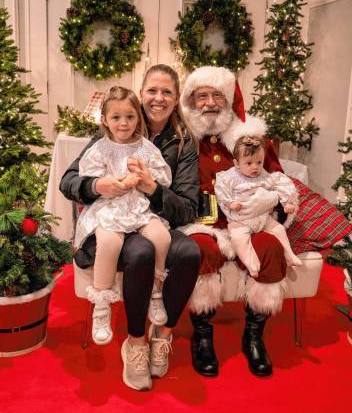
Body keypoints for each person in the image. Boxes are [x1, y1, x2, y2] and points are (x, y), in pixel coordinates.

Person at [179, 66, 352, 378]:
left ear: (230, 98)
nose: (209, 103)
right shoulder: (185, 141)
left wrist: (271, 201)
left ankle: (253, 336)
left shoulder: (252, 139)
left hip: (253, 220)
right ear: (191, 101)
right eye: (201, 96)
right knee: (199, 249)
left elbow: (280, 181)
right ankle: (202, 336)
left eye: (216, 95)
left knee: (271, 247)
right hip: (205, 224)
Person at [60, 64, 200, 391]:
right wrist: (98, 185)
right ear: (142, 94)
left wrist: (153, 189)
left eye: (167, 91)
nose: (158, 98)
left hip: (151, 214)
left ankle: (161, 334)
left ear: (176, 97)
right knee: (141, 253)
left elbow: (189, 208)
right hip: (113, 217)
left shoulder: (183, 141)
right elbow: (70, 180)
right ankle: (135, 342)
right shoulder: (111, 131)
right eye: (152, 90)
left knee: (189, 253)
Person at [75, 86, 173, 345]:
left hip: (139, 206)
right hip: (110, 206)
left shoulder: (146, 148)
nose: (123, 123)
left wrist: (145, 176)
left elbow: (164, 177)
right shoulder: (101, 148)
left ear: (138, 118)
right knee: (109, 242)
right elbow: (87, 175)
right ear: (105, 120)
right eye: (116, 117)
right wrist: (106, 182)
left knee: (161, 238)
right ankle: (102, 305)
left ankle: (156, 292)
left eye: (130, 116)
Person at [215, 133, 302, 279]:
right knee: (238, 239)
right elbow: (220, 190)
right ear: (237, 164)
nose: (255, 167)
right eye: (249, 163)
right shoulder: (230, 177)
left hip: (262, 218)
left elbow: (279, 184)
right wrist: (230, 202)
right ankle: (251, 263)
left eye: (259, 162)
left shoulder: (264, 176)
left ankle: (289, 255)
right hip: (240, 220)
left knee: (279, 229)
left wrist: (287, 202)